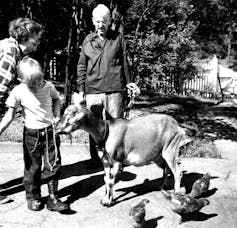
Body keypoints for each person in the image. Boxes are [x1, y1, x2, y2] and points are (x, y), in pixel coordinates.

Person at [0, 57, 69, 212]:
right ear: (21, 80)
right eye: (32, 84)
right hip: (32, 136)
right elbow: (10, 115)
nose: (37, 85)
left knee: (54, 164)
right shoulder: (18, 91)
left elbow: (57, 99)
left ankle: (53, 198)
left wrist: (57, 115)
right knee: (32, 168)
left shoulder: (48, 86)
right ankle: (33, 197)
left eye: (39, 80)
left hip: (50, 132)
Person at [76, 4, 138, 169]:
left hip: (115, 90)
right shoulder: (88, 40)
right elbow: (82, 66)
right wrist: (81, 89)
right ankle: (96, 160)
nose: (100, 25)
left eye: (104, 21)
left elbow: (124, 61)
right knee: (93, 127)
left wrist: (129, 82)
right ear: (93, 21)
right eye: (97, 21)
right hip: (92, 91)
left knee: (116, 126)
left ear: (110, 21)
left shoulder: (118, 38)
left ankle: (116, 159)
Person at [0, 17, 44, 204]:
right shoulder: (10, 51)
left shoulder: (15, 50)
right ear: (26, 36)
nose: (38, 42)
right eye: (37, 38)